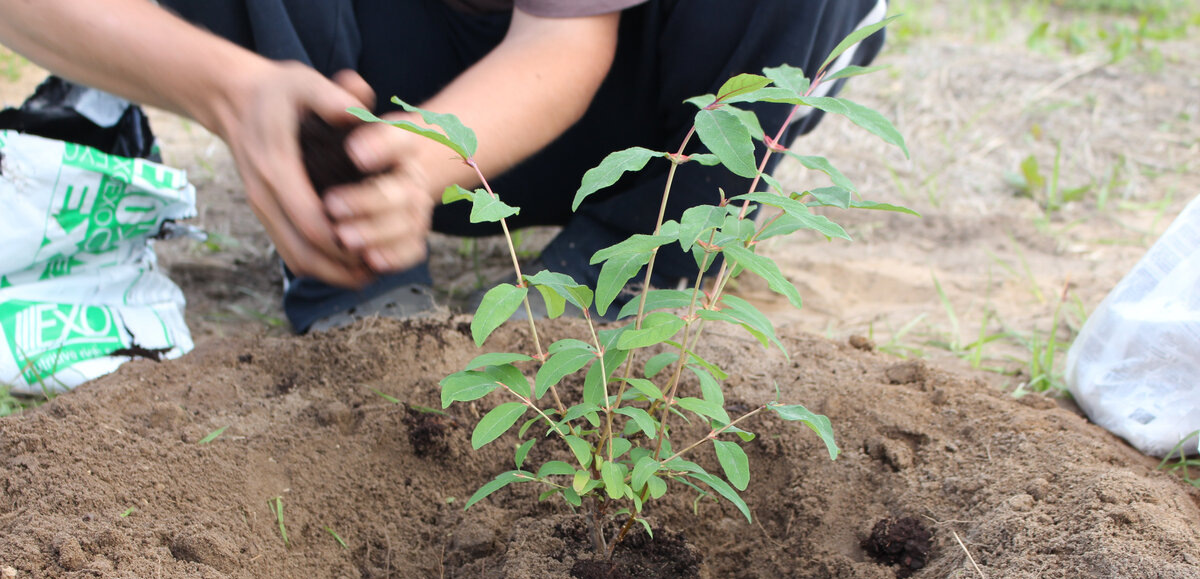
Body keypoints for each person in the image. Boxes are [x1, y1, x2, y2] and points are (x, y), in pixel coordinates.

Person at [0, 0, 887, 332]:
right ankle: (349, 260)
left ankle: (644, 258)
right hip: (346, 80)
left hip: (637, 97)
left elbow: (566, 37)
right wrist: (229, 86)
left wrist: (425, 162)